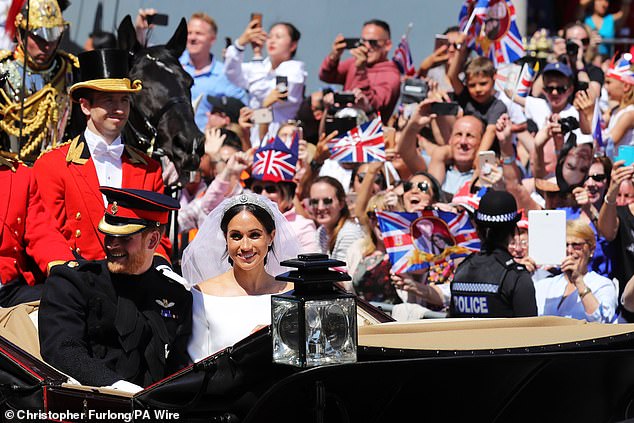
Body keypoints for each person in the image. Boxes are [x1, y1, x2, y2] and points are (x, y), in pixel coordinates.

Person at [39, 187, 192, 393]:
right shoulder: (73, 283)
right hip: (93, 404)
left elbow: (178, 363)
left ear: (153, 240)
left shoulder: (175, 294)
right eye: (108, 235)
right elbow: (63, 350)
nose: (112, 244)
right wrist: (118, 388)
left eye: (124, 238)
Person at [33, 49, 172, 262]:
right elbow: (47, 233)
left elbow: (158, 235)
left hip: (136, 283)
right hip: (77, 281)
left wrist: (159, 269)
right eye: (109, 100)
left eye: (124, 100)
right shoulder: (53, 164)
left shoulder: (150, 168)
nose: (119, 109)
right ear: (86, 106)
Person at [181, 193, 301, 361]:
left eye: (254, 235)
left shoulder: (292, 294)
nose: (245, 246)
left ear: (271, 236)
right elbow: (197, 364)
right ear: (226, 238)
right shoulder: (202, 294)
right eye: (236, 236)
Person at [0, 0, 80, 164]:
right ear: (20, 34)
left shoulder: (72, 70)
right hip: (10, 168)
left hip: (58, 167)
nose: (47, 46)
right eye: (39, 38)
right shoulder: (2, 71)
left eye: (53, 37)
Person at [0, 152, 74, 307]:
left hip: (7, 292)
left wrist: (67, 274)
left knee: (67, 304)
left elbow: (43, 234)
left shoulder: (19, 176)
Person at [449, 189, 537, 318]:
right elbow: (530, 333)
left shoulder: (462, 269)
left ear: (478, 229)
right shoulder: (516, 277)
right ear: (513, 230)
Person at [224, 19, 306, 146]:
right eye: (270, 36)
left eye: (278, 37)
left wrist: (257, 54)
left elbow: (265, 95)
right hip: (254, 141)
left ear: (293, 45)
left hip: (281, 142)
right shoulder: (261, 67)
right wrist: (240, 44)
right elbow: (232, 73)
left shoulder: (294, 72)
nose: (272, 40)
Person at [534, 219, 617, 323]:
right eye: (565, 245)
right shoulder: (544, 285)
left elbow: (602, 320)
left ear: (591, 250)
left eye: (577, 245)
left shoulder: (603, 285)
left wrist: (578, 281)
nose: (569, 251)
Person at [319, 19, 401, 123]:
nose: (367, 46)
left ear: (387, 45)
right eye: (363, 42)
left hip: (369, 134)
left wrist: (361, 71)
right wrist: (334, 56)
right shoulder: (355, 63)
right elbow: (326, 76)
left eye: (373, 42)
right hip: (343, 129)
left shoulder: (391, 75)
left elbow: (373, 104)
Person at [179, 12, 248, 130]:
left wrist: (226, 123)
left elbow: (244, 111)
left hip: (206, 144)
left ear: (212, 39)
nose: (192, 38)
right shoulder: (173, 66)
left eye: (198, 33)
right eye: (189, 33)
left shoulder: (225, 75)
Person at [447, 40, 508, 153]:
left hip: (488, 153)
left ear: (494, 79)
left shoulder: (498, 106)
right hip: (464, 148)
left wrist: (478, 158)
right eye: (472, 85)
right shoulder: (466, 98)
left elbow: (491, 131)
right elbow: (452, 76)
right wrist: (460, 49)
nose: (478, 89)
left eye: (483, 83)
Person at [597, 159, 634, 321]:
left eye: (627, 195)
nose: (623, 198)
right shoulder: (621, 213)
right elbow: (607, 232)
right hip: (628, 311)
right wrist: (612, 192)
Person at [308, 176, 364, 263]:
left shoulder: (349, 233)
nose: (320, 207)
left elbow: (341, 273)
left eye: (327, 201)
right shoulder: (321, 231)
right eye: (314, 202)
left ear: (341, 203)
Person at [602, 52, 634, 160]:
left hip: (625, 170)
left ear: (625, 86)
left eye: (609, 82)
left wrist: (590, 114)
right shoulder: (614, 110)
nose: (605, 87)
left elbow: (608, 142)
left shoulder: (630, 114)